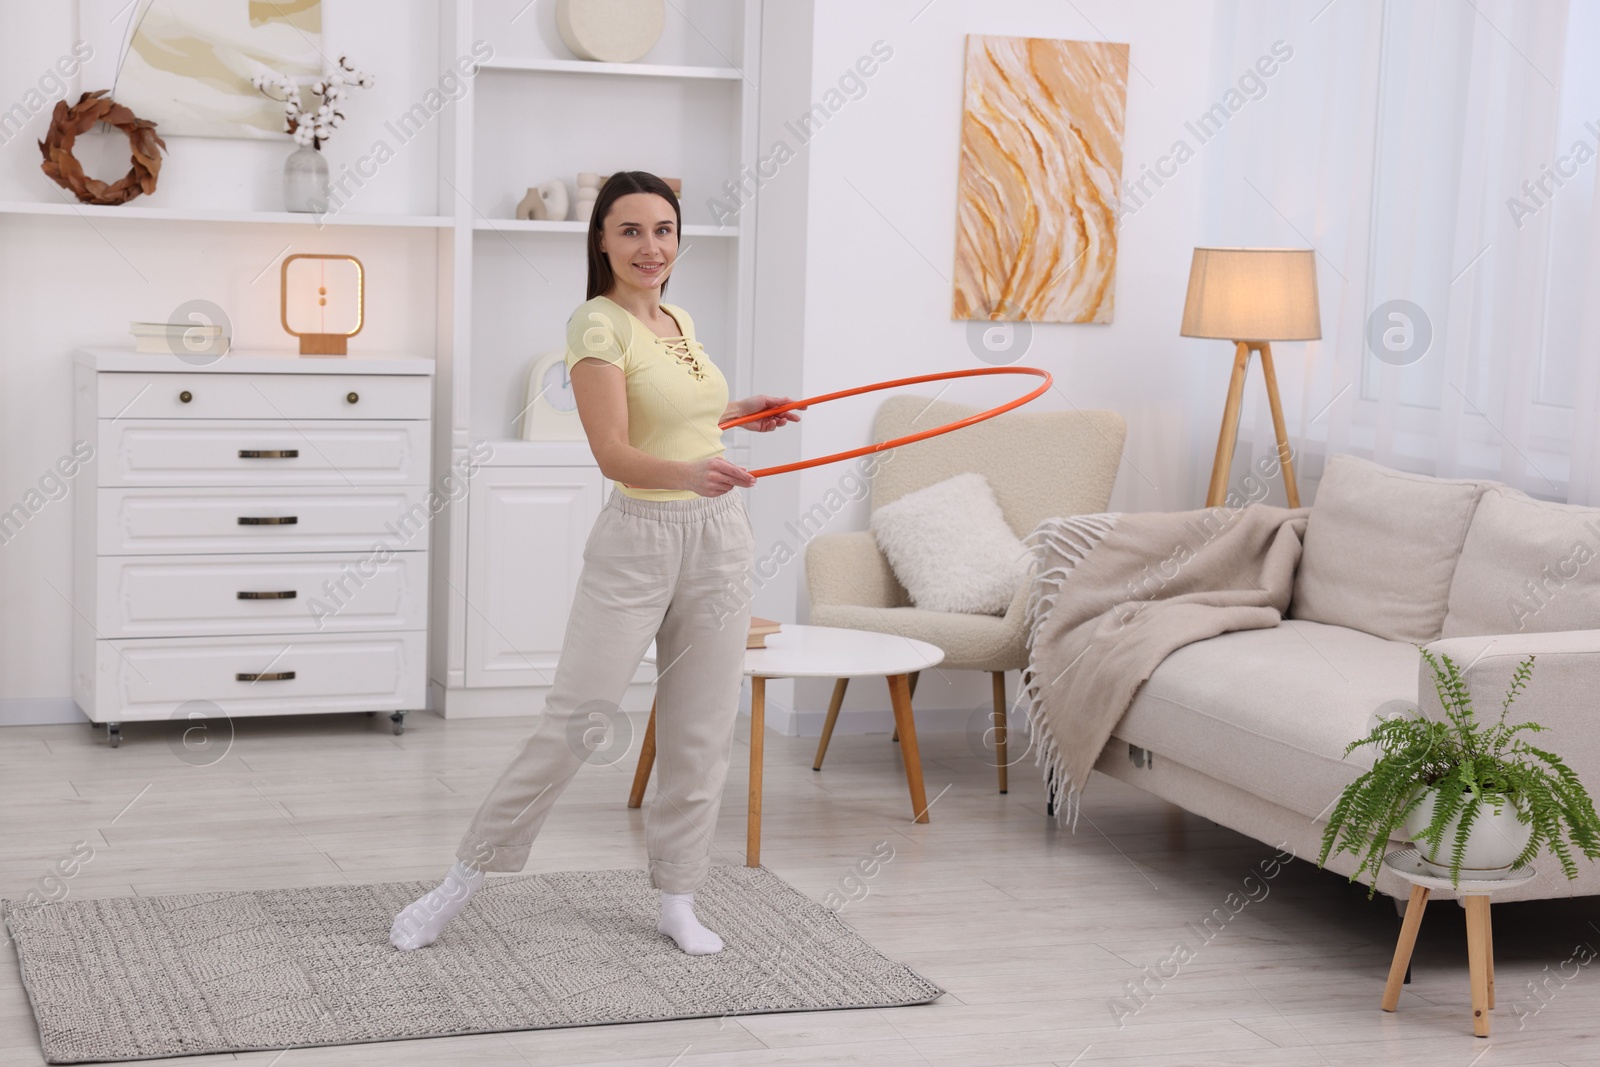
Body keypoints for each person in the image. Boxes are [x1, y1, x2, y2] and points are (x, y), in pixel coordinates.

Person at [390, 171, 801, 956]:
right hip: (641, 538)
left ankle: (678, 896)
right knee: (577, 721)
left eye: (664, 230)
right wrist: (690, 473)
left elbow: (686, 415)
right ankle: (460, 880)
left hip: (721, 536)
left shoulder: (677, 318)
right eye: (632, 231)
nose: (651, 247)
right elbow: (613, 451)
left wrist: (746, 410)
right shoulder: (596, 324)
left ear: (680, 239)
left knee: (702, 727)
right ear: (603, 241)